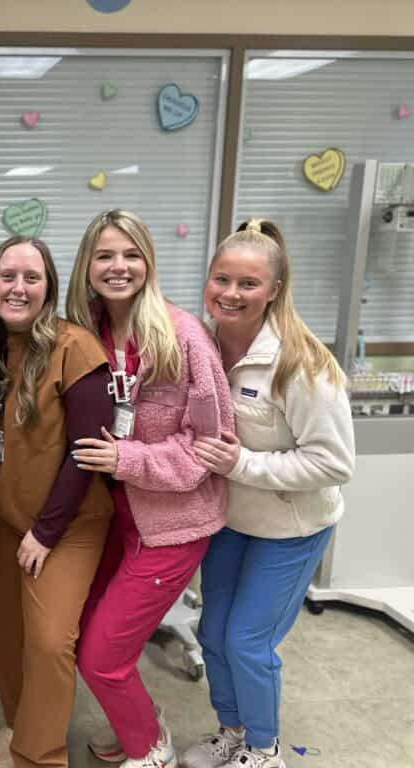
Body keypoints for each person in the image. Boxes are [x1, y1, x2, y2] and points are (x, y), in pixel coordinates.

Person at [182, 220, 354, 768]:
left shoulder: (301, 363)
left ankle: (264, 749)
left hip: (292, 528)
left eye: (248, 284)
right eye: (222, 279)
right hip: (232, 519)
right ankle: (231, 733)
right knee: (212, 633)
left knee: (247, 643)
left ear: (275, 289)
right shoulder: (201, 346)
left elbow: (333, 462)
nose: (230, 294)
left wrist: (243, 463)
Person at [68, 209, 234, 768]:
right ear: (87, 265)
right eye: (105, 255)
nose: (119, 267)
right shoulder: (84, 332)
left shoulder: (183, 336)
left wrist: (125, 457)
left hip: (171, 528)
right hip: (110, 521)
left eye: (131, 254)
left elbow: (209, 446)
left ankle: (149, 751)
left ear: (149, 263)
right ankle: (140, 721)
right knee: (92, 638)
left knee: (102, 657)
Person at [0, 235, 115, 768]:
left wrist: (46, 531)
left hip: (68, 523)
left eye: (31, 278)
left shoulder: (74, 348)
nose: (18, 287)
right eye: (7, 275)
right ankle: (21, 730)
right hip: (5, 520)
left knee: (50, 641)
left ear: (49, 288)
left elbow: (87, 452)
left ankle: (39, 757)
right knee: (6, 638)